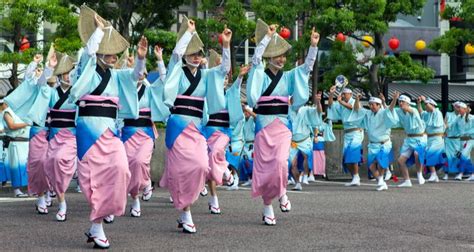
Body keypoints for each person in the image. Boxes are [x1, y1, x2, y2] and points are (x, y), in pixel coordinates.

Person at [71, 5, 147, 249]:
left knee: (121, 170)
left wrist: (143, 58)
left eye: (116, 54)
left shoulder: (117, 76)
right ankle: (98, 225)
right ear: (101, 52)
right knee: (92, 178)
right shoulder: (87, 68)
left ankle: (99, 221)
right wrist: (100, 32)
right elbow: (88, 54)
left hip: (111, 132)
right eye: (111, 54)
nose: (114, 57)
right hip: (88, 130)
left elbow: (136, 76)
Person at [159, 16, 232, 233]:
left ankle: (186, 207)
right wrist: (188, 34)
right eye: (192, 53)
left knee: (201, 165)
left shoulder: (207, 74)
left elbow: (223, 70)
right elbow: (175, 56)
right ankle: (186, 212)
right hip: (178, 127)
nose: (196, 57)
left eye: (199, 53)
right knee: (181, 170)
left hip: (197, 128)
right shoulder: (177, 71)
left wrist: (226, 45)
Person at [246, 19, 319, 225]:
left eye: (283, 56)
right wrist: (267, 38)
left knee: (280, 162)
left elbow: (306, 69)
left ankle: (283, 191)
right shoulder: (260, 73)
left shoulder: (288, 76)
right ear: (269, 56)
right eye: (277, 55)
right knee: (264, 168)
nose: (281, 59)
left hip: (282, 126)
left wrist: (312, 47)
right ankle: (267, 205)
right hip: (263, 126)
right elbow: (255, 60)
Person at [121, 45, 168, 217]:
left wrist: (160, 60)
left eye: (143, 72)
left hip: (146, 134)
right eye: (137, 72)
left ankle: (145, 183)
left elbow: (164, 82)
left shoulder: (150, 90)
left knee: (140, 161)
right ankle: (135, 197)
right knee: (127, 167)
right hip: (127, 134)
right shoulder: (125, 90)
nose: (140, 74)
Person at [203, 50, 248, 213]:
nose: (223, 81)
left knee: (215, 153)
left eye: (226, 79)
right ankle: (214, 198)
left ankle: (228, 173)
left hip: (223, 132)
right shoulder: (207, 94)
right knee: (210, 163)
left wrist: (240, 77)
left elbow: (235, 89)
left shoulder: (228, 94)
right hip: (207, 132)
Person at [46, 52, 78, 222]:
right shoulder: (51, 93)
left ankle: (63, 203)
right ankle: (60, 199)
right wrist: (48, 68)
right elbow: (40, 88)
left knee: (59, 159)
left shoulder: (77, 93)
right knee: (50, 164)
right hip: (54, 135)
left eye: (71, 73)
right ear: (60, 76)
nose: (69, 76)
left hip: (70, 136)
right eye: (66, 73)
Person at [349, 94, 396, 191]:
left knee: (380, 162)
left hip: (384, 144)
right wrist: (357, 99)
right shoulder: (368, 113)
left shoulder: (384, 113)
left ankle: (382, 180)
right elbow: (357, 109)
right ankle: (381, 182)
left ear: (379, 105)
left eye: (373, 104)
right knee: (371, 166)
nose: (371, 106)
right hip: (372, 144)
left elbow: (390, 108)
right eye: (370, 104)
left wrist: (394, 99)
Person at [387, 92, 427, 187]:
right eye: (400, 101)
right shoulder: (399, 111)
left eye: (403, 101)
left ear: (408, 103)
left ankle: (419, 174)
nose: (400, 103)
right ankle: (407, 181)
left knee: (417, 154)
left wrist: (407, 107)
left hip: (419, 138)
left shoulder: (414, 110)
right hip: (409, 139)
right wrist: (394, 99)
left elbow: (410, 110)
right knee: (400, 161)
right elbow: (389, 110)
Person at [327, 84, 364, 187]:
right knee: (346, 159)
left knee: (353, 154)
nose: (343, 95)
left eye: (346, 94)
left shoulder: (354, 101)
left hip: (356, 132)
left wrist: (341, 102)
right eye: (343, 94)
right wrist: (331, 94)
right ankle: (355, 177)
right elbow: (330, 105)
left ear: (351, 94)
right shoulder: (341, 104)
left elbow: (354, 108)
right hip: (347, 132)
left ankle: (356, 177)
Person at [288, 93, 323, 191]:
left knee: (306, 157)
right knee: (292, 164)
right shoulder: (287, 110)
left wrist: (318, 102)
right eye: (292, 100)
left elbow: (318, 111)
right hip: (292, 141)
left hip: (305, 139)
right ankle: (297, 183)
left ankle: (305, 175)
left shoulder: (305, 109)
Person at [417, 96, 445, 183]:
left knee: (430, 154)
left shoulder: (437, 112)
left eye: (427, 104)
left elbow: (430, 107)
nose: (425, 106)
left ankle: (433, 174)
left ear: (432, 105)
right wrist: (418, 104)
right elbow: (421, 112)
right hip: (429, 138)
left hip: (437, 138)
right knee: (427, 155)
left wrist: (425, 100)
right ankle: (434, 175)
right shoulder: (427, 114)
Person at [239, 105, 256, 186]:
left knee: (249, 161)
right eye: (244, 112)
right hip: (245, 144)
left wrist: (247, 109)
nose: (245, 113)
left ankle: (252, 178)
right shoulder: (243, 121)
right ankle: (249, 178)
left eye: (247, 112)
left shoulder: (252, 119)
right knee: (243, 160)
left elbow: (256, 116)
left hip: (252, 144)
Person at [456, 103, 473, 181]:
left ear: (465, 109)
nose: (458, 109)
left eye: (460, 108)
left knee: (463, 155)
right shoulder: (458, 118)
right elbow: (454, 127)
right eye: (458, 108)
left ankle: (461, 173)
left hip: (470, 139)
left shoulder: (472, 118)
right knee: (466, 157)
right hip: (462, 140)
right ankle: (472, 173)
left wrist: (468, 133)